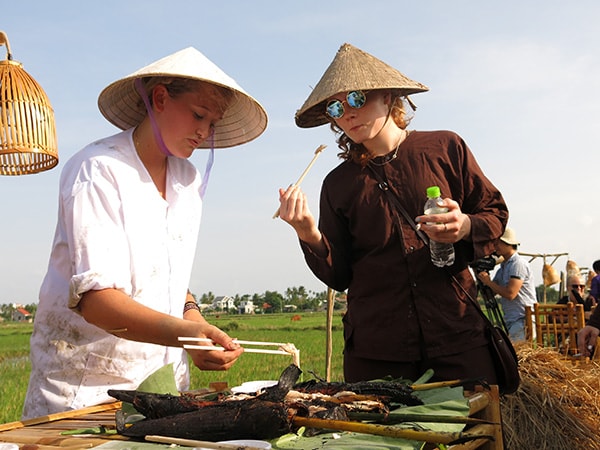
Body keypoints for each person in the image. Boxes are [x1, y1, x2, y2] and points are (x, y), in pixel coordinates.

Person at [22, 47, 267, 419]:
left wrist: (195, 326)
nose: (204, 131)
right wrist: (185, 334)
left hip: (164, 388)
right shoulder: (99, 170)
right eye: (198, 115)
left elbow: (169, 279)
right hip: (87, 393)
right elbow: (96, 300)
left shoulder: (187, 179)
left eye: (212, 123)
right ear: (160, 98)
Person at [277, 43, 508, 384]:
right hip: (378, 351)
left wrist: (463, 227)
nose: (347, 114)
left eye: (356, 99)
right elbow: (339, 275)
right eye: (336, 107)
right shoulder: (338, 184)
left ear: (388, 97)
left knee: (478, 433)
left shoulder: (445, 148)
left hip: (456, 337)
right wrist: (308, 233)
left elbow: (494, 215)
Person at [476, 228, 537, 342]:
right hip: (512, 320)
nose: (495, 246)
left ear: (508, 244)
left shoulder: (517, 264)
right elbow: (491, 293)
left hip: (523, 320)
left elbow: (510, 294)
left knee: (516, 356)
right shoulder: (503, 268)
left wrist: (488, 282)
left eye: (497, 243)